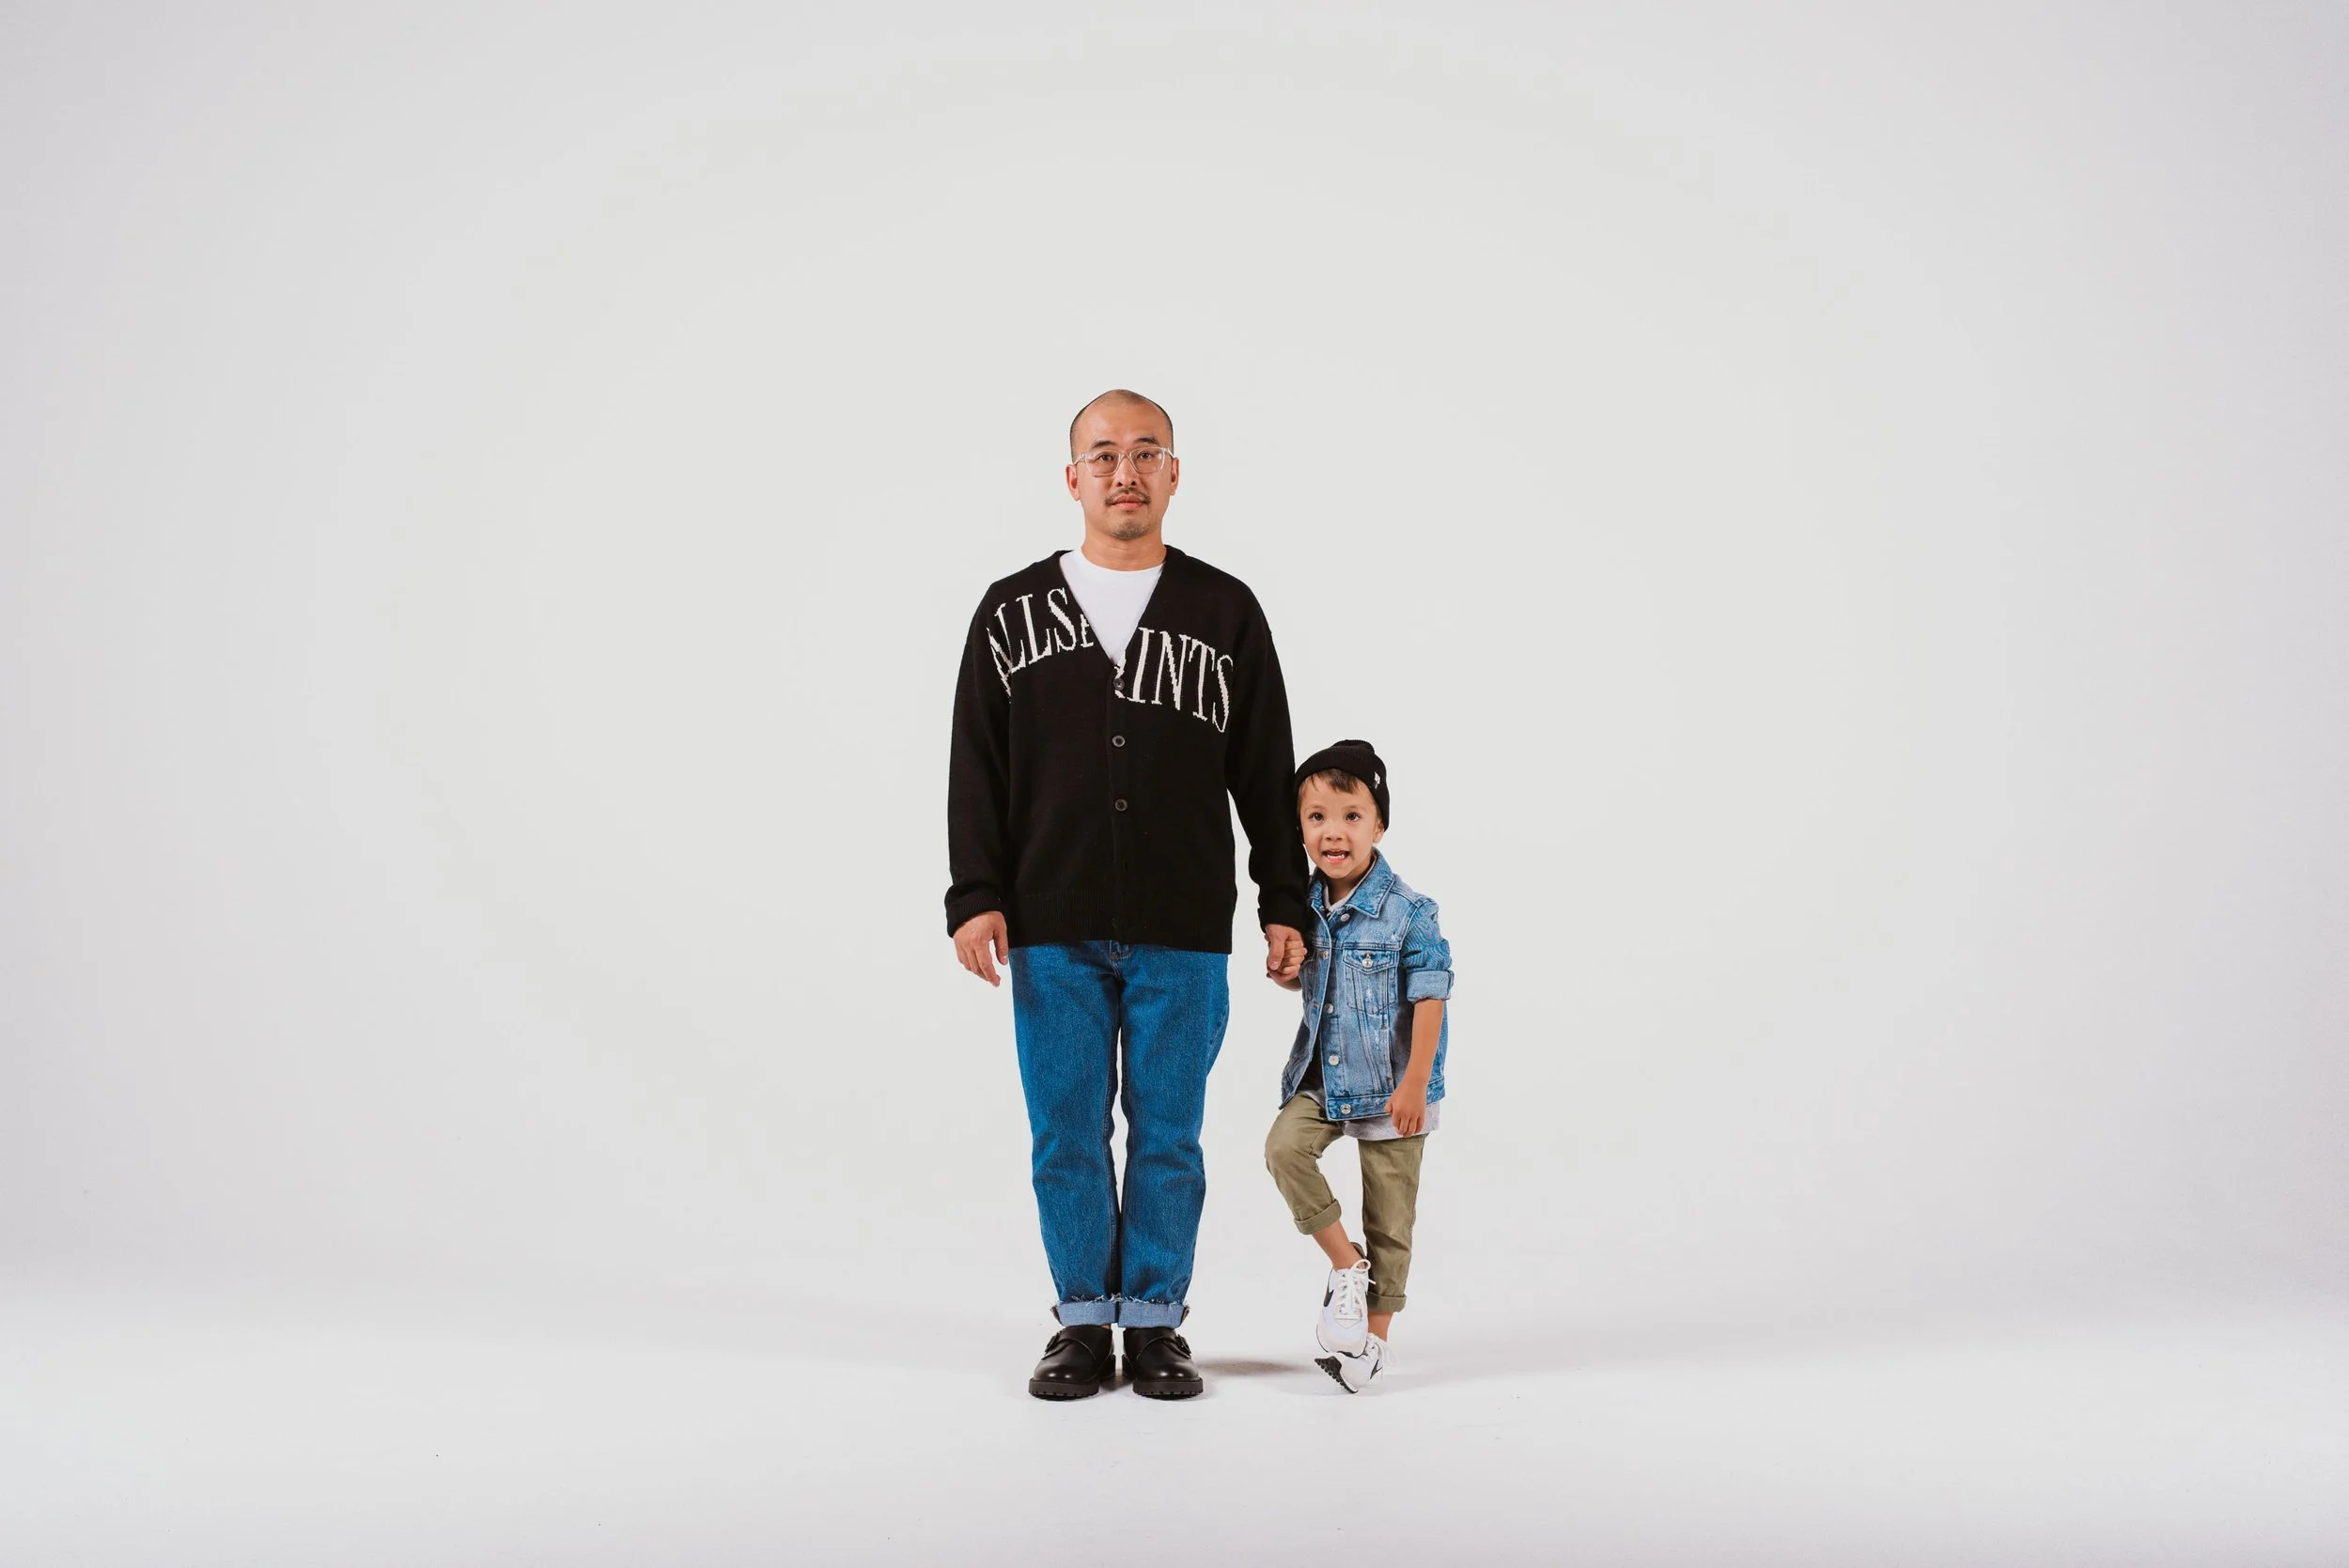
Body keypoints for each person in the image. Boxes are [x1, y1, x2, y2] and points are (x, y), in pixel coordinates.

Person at [946, 389, 1309, 1400]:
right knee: (1065, 1131)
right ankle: (1079, 1320)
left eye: (1147, 452)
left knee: (1167, 1135)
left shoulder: (1224, 612)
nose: (1125, 472)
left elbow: (1264, 765)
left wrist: (1284, 899)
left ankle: (1151, 1322)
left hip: (1182, 926)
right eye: (1103, 454)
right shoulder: (1012, 612)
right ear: (1072, 478)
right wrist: (975, 893)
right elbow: (975, 764)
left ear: (1174, 474)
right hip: (1048, 921)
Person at [1264, 739, 1453, 1392]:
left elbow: (1430, 997)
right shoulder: (1303, 903)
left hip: (1394, 1084)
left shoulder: (1410, 912)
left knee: (1390, 1220)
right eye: (1317, 817)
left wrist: (1414, 1081)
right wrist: (1289, 974)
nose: (1333, 832)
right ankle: (1347, 1265)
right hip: (1324, 1077)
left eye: (1351, 816)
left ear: (1379, 824)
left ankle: (1370, 1344)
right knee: (1284, 1149)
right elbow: (1322, 986)